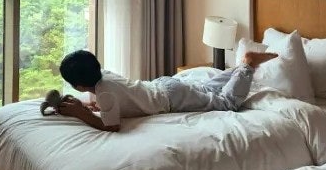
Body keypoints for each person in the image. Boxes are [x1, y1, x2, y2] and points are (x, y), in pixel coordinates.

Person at [58, 49, 278, 132]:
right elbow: (118, 100)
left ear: (79, 86)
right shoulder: (104, 77)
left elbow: (112, 126)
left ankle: (248, 65)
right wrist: (89, 106)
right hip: (165, 86)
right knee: (205, 89)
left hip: (170, 99)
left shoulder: (104, 93)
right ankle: (238, 70)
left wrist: (81, 112)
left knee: (225, 103)